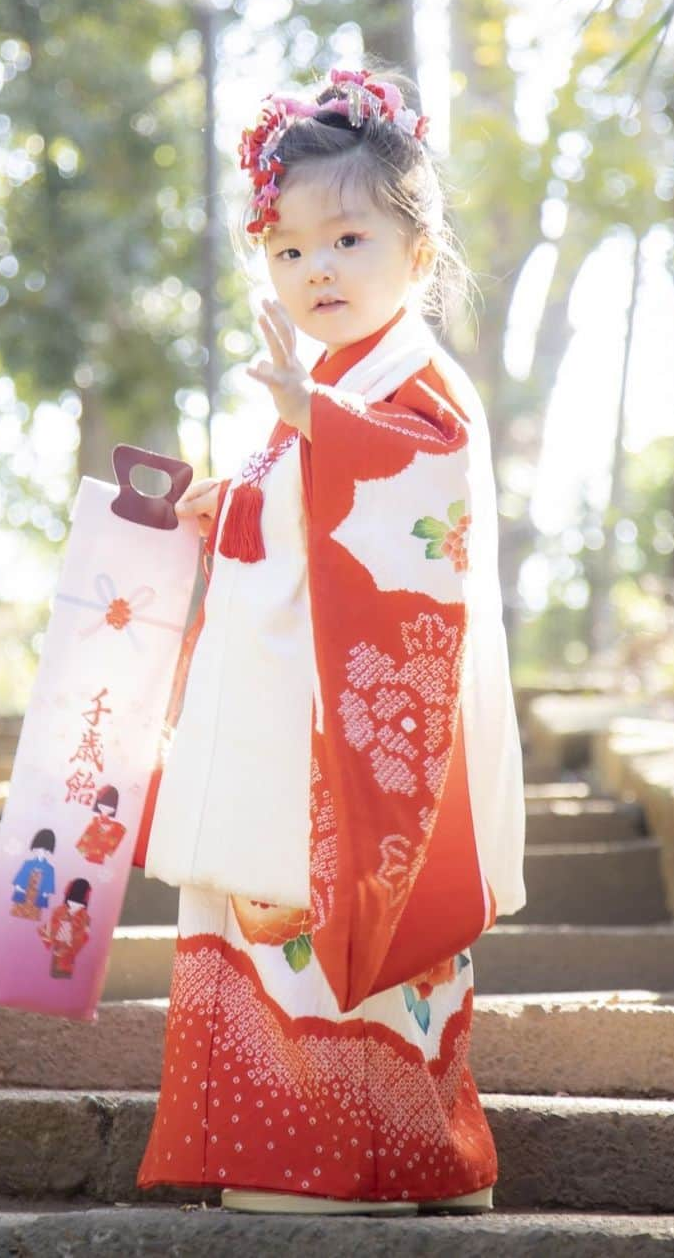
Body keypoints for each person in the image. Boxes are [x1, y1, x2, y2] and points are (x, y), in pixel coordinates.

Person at [131, 63, 527, 1216]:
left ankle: (342, 1163)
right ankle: (370, 1155)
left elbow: (422, 489)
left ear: (418, 248)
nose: (317, 271)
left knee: (345, 912)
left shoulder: (410, 383)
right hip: (293, 721)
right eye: (291, 250)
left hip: (345, 737)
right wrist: (234, 503)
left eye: (347, 239)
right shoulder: (333, 385)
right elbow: (310, 528)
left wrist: (320, 426)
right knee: (293, 915)